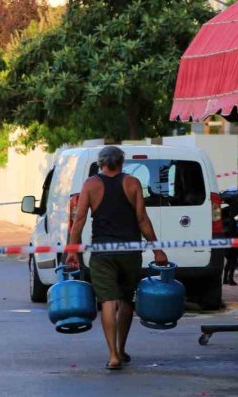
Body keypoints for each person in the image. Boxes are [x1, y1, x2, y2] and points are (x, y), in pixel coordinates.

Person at [65, 146, 168, 371]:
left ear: (101, 163)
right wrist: (157, 249)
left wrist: (72, 249)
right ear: (122, 163)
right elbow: (142, 219)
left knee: (108, 302)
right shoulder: (132, 183)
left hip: (102, 253)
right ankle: (121, 348)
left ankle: (113, 355)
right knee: (125, 300)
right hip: (130, 252)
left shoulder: (90, 185)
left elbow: (79, 219)